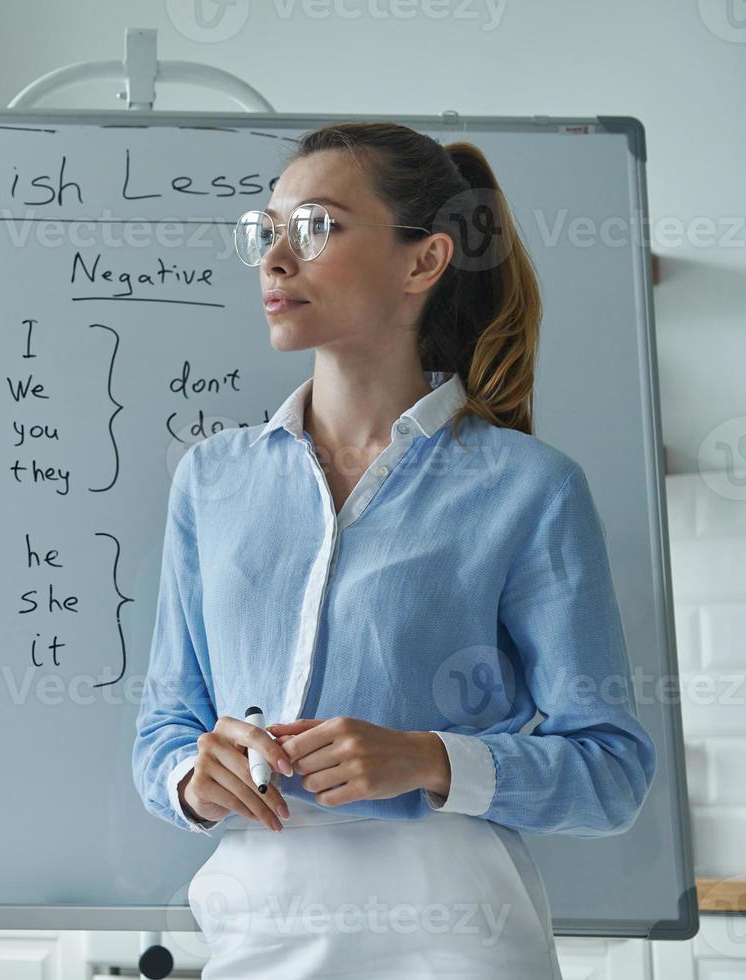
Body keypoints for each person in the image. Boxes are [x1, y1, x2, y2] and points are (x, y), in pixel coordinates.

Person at [131, 120, 657, 978]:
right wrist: (194, 779)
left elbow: (611, 772)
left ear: (424, 262)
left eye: (315, 228)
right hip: (253, 935)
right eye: (266, 232)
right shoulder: (211, 482)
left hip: (456, 940)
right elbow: (163, 731)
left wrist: (428, 758)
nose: (273, 259)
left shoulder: (529, 489)